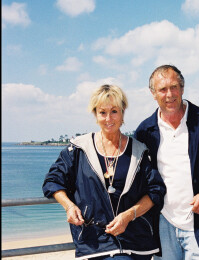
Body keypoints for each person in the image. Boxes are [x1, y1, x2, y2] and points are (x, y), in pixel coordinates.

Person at [43, 84, 166, 260]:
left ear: (123, 112)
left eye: (114, 111)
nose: (108, 118)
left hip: (136, 242)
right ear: (95, 114)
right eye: (102, 112)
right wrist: (69, 206)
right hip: (94, 242)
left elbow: (156, 191)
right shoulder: (79, 148)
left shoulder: (139, 150)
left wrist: (128, 216)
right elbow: (53, 180)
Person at [134, 65, 199, 260]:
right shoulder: (144, 131)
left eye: (174, 87)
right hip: (161, 223)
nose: (170, 94)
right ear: (153, 93)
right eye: (162, 89)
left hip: (198, 224)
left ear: (182, 88)